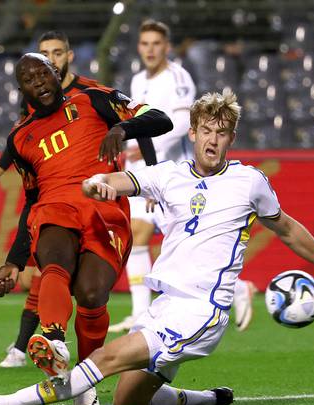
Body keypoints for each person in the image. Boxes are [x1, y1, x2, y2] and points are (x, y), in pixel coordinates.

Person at [0, 88, 314, 405]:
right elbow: (128, 181)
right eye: (206, 131)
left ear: (232, 137)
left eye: (222, 133)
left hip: (201, 311)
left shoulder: (249, 182)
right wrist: (98, 182)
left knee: (107, 356)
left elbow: (286, 227)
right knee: (128, 401)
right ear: (192, 133)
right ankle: (211, 399)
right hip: (165, 305)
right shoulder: (172, 175)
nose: (213, 140)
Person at [0, 52, 171, 405]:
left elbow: (159, 119)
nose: (39, 82)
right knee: (54, 255)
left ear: (58, 73)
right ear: (20, 89)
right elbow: (32, 200)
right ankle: (53, 337)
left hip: (105, 208)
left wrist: (121, 128)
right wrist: (13, 261)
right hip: (55, 207)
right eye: (29, 79)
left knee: (90, 294)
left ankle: (86, 382)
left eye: (44, 73)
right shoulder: (20, 139)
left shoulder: (93, 99)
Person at [110, 19, 256, 334]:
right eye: (145, 43)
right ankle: (138, 312)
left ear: (167, 47)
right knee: (135, 235)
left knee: (190, 246)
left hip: (175, 174)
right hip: (145, 171)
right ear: (139, 47)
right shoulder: (137, 81)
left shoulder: (177, 78)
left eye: (156, 44)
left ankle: (239, 288)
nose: (150, 50)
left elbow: (179, 124)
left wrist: (146, 148)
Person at [0, 31, 106, 370]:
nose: (51, 61)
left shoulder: (89, 95)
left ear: (65, 58)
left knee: (78, 284)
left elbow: (133, 118)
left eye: (55, 54)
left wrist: (147, 173)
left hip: (99, 196)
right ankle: (43, 343)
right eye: (45, 53)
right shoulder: (34, 103)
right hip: (56, 200)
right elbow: (20, 139)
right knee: (48, 269)